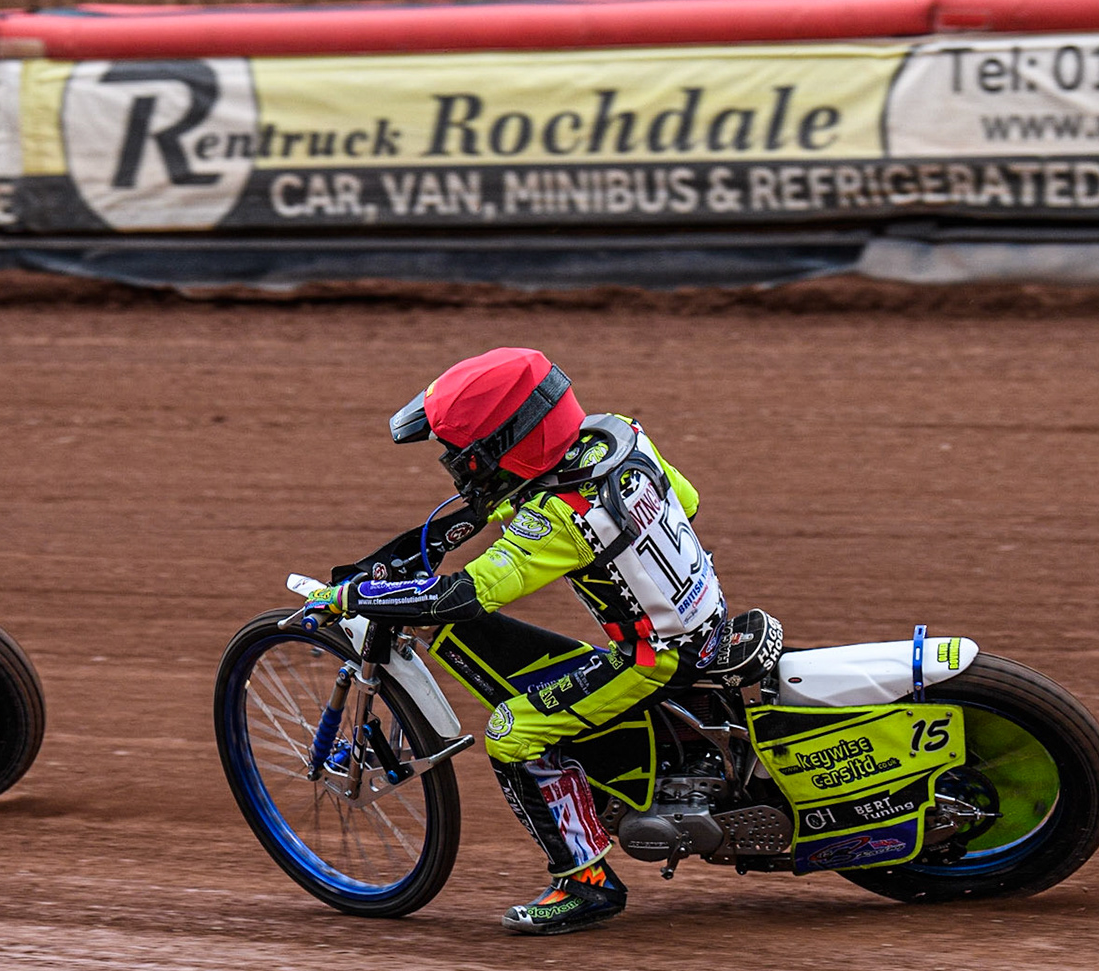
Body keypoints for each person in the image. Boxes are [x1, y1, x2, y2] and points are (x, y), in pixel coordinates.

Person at [301, 347, 767, 936]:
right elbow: (688, 499)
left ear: (505, 444)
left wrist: (349, 599)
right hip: (705, 618)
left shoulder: (561, 514)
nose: (456, 466)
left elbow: (465, 599)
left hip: (654, 659)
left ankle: (586, 881)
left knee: (512, 732)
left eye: (463, 456)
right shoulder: (617, 435)